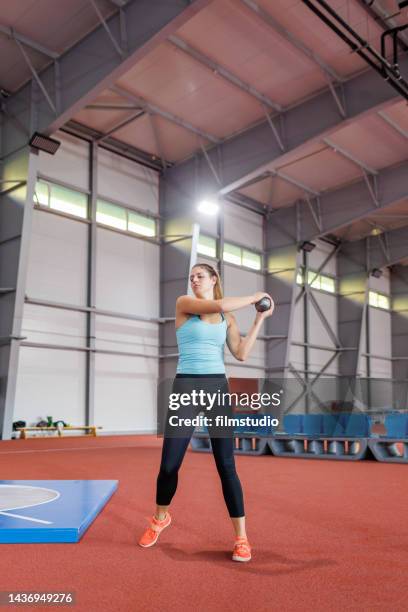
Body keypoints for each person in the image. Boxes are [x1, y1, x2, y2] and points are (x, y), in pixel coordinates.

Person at [138, 263, 274, 562]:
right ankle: (160, 518)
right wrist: (254, 297)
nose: (194, 280)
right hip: (186, 388)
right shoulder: (185, 304)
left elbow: (241, 353)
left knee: (227, 466)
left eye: (200, 276)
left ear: (214, 279)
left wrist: (259, 319)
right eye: (192, 277)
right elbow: (219, 303)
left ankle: (242, 538)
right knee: (169, 465)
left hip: (217, 390)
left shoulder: (228, 318)